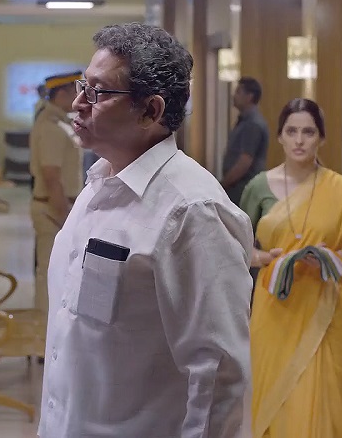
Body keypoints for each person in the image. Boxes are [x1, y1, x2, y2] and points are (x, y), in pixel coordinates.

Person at [39, 23, 253, 437]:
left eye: (98, 92)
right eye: (83, 85)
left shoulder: (191, 210)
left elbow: (217, 376)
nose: (79, 102)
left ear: (150, 111)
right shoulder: (98, 183)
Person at [240, 98, 342, 437]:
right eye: (291, 131)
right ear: (279, 136)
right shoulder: (258, 187)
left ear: (321, 138)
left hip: (327, 312)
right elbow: (232, 246)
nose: (299, 140)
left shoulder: (340, 190)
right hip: (275, 311)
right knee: (279, 404)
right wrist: (263, 259)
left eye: (308, 132)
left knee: (326, 405)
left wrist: (332, 260)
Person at [29, 70, 84, 319]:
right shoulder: (51, 126)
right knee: (49, 272)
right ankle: (42, 332)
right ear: (61, 94)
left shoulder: (60, 122)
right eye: (74, 92)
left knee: (59, 272)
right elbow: (52, 177)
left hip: (60, 206)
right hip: (53, 209)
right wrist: (65, 217)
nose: (78, 97)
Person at [221, 77, 269, 205]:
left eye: (238, 92)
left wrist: (223, 184)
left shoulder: (252, 124)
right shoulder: (245, 121)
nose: (234, 96)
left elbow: (244, 162)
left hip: (243, 189)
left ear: (249, 97)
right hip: (239, 188)